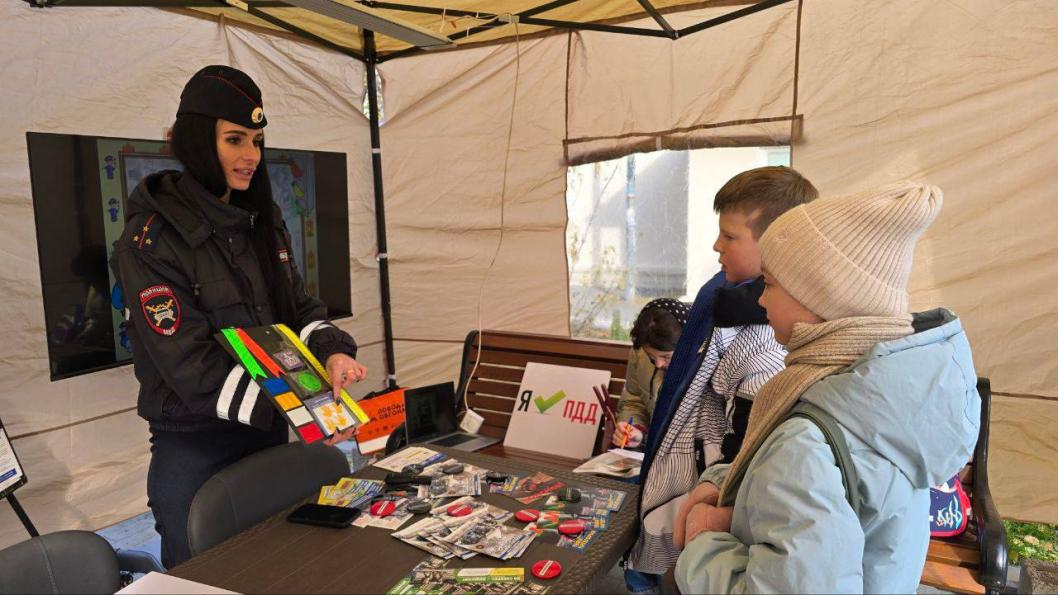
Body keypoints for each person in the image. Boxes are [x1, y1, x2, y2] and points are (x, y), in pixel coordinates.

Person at [109, 65, 367, 568]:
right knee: (206, 576)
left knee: (281, 566)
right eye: (234, 139)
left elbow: (299, 314)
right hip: (195, 447)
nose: (250, 156)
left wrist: (332, 353)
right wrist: (310, 409)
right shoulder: (150, 242)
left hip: (267, 434)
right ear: (196, 140)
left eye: (256, 140)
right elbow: (193, 369)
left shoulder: (261, 223)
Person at [673, 181, 981, 593]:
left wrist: (702, 545)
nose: (761, 302)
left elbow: (798, 474)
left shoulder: (806, 439)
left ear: (821, 298)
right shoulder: (882, 401)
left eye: (769, 285)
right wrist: (725, 480)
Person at [625, 167, 818, 593]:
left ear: (778, 245)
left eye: (730, 237)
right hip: (693, 498)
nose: (716, 246)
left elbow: (745, 452)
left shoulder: (765, 343)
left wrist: (707, 509)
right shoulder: (725, 300)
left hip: (708, 518)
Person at [611, 298, 690, 449]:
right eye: (651, 357)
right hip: (650, 450)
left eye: (667, 357)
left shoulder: (706, 362)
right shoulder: (640, 351)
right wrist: (633, 431)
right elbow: (634, 401)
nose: (658, 364)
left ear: (687, 346)